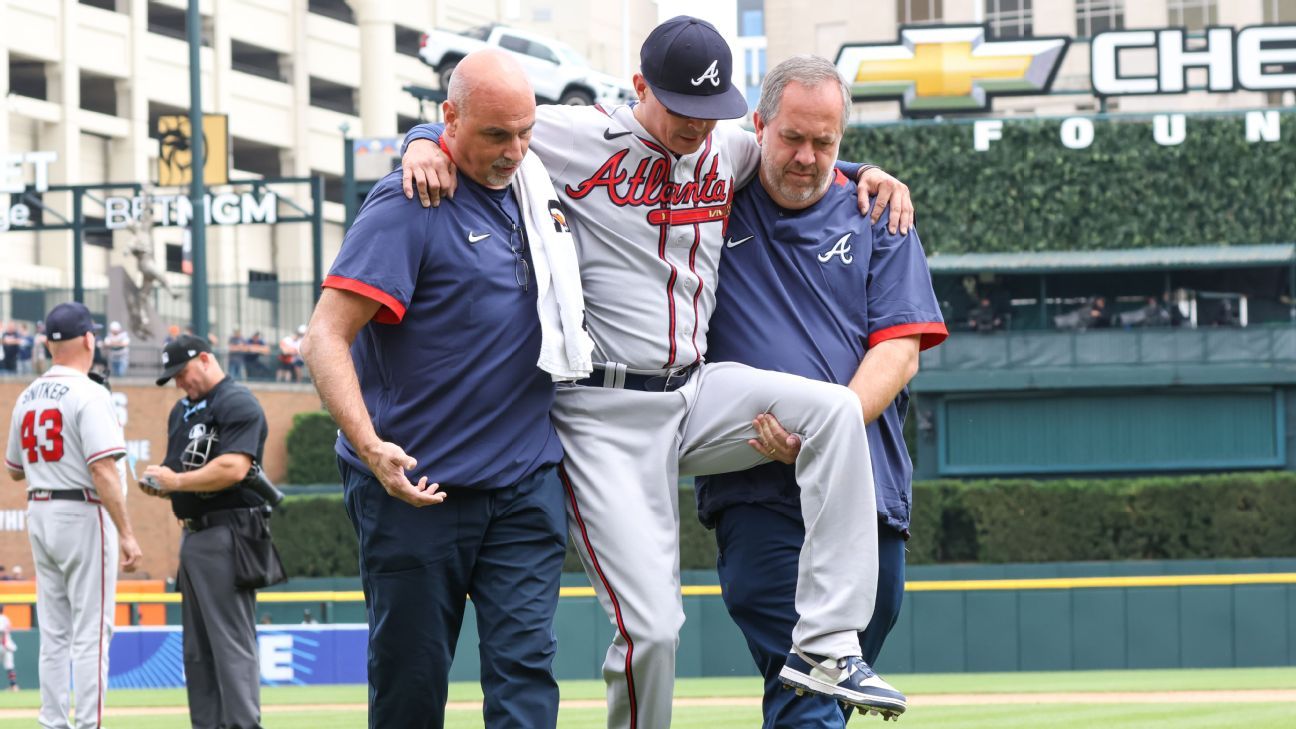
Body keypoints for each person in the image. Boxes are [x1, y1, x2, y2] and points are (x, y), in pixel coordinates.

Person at [401, 17, 915, 725]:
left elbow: (795, 154)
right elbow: (481, 121)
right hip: (601, 410)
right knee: (652, 634)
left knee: (834, 411)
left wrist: (865, 172)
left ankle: (826, 642)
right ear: (639, 86)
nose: (699, 127)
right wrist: (421, 139)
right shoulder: (571, 136)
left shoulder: (727, 145)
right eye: (682, 107)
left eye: (713, 111)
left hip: (695, 389)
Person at [302, 50, 569, 729]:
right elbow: (324, 336)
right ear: (449, 118)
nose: (515, 149)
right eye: (495, 135)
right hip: (416, 489)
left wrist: (865, 175)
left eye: (525, 131)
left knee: (527, 685)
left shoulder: (540, 184)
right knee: (410, 691)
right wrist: (369, 445)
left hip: (524, 483)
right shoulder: (409, 202)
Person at [695, 56, 947, 728]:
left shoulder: (877, 210)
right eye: (792, 138)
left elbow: (899, 352)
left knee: (823, 694)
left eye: (825, 143)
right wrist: (423, 140)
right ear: (758, 126)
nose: (807, 157)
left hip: (867, 491)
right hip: (757, 490)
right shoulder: (711, 206)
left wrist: (822, 435)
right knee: (804, 690)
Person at [4, 301, 142, 729]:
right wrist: (127, 532)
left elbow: (12, 470)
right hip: (83, 510)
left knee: (55, 633)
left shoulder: (27, 394)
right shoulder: (90, 392)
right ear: (88, 339)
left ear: (47, 344)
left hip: (40, 509)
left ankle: (52, 722)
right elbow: (103, 468)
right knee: (91, 634)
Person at [137, 334, 271, 729]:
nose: (179, 382)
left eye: (182, 372)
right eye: (173, 376)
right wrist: (159, 484)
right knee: (198, 651)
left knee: (230, 645)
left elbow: (234, 468)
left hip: (229, 530)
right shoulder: (182, 411)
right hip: (194, 535)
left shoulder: (236, 401)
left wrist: (175, 483)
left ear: (206, 359)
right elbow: (178, 473)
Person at [0, 604, 17, 691]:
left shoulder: (2, 619)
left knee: (9, 666)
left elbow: (1, 631)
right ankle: (14, 686)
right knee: (9, 666)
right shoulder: (6, 618)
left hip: (3, 644)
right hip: (8, 645)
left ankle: (13, 686)